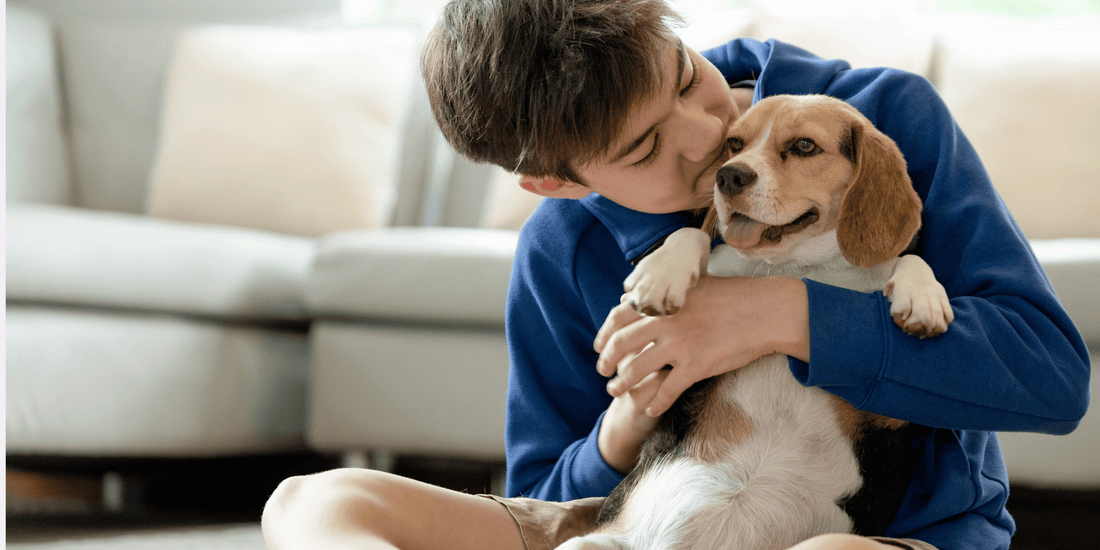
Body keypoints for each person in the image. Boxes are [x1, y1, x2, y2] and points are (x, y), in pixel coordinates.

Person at [261, 1, 1091, 549]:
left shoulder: (880, 115)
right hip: (631, 524)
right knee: (309, 504)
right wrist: (625, 420)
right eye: (644, 148)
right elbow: (543, 496)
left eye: (688, 77)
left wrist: (777, 314)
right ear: (561, 182)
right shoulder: (560, 245)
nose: (707, 137)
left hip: (873, 534)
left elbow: (1051, 381)